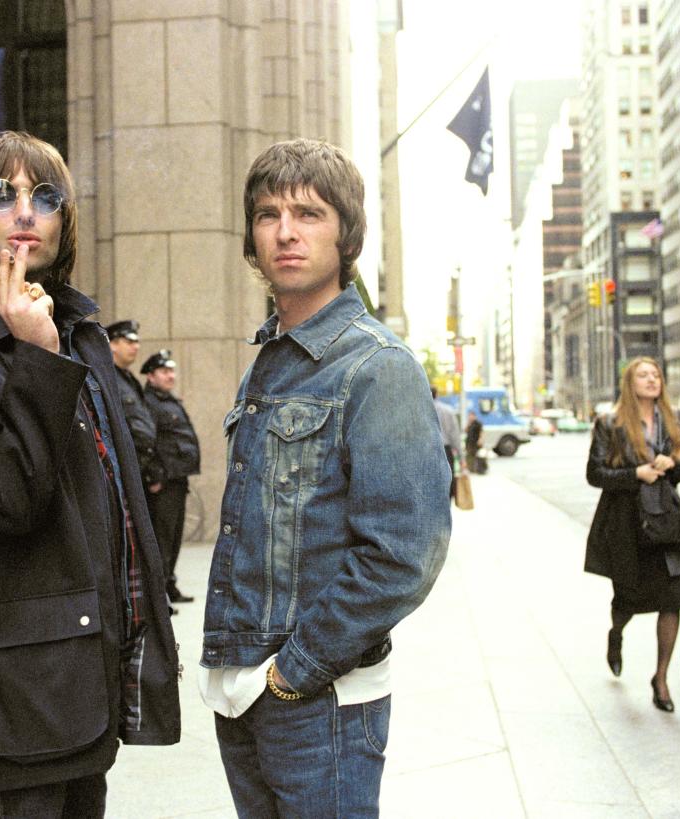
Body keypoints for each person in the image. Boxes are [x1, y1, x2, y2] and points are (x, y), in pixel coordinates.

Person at [0, 131, 180, 817]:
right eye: (4, 195)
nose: (25, 211)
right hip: (16, 691)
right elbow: (6, 496)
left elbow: (110, 507)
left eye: (44, 196)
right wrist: (35, 359)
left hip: (87, 675)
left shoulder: (78, 330)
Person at [199, 137, 451, 818]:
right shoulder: (270, 363)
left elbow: (404, 554)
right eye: (268, 213)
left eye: (309, 213)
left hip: (321, 700)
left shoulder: (377, 366)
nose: (285, 231)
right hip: (245, 691)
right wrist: (244, 676)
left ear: (346, 235)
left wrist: (293, 673)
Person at [584, 357, 680, 712]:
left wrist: (675, 462)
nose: (651, 380)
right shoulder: (610, 422)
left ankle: (660, 679)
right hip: (627, 523)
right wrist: (637, 474)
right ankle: (616, 634)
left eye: (656, 374)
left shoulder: (676, 421)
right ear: (629, 383)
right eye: (643, 375)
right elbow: (595, 474)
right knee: (628, 598)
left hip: (665, 521)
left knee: (673, 597)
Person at [140, 348, 201, 605]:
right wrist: (154, 475)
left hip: (177, 478)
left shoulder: (168, 400)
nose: (170, 375)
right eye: (165, 371)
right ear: (151, 376)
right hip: (163, 482)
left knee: (174, 538)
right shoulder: (150, 403)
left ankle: (169, 585)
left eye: (172, 370)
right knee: (162, 539)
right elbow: (147, 441)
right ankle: (159, 594)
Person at [107, 318, 166, 498]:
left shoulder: (128, 379)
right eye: (130, 341)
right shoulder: (108, 377)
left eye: (137, 342)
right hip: (122, 472)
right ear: (113, 345)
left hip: (138, 471)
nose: (136, 346)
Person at [431, 388, 461, 489]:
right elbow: (454, 435)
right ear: (437, 394)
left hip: (429, 451)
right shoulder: (448, 410)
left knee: (432, 484)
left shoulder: (421, 412)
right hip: (446, 451)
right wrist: (461, 457)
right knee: (448, 482)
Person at [465, 409, 486, 474]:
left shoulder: (478, 423)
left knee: (478, 456)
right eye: (469, 416)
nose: (470, 417)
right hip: (470, 443)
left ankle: (480, 469)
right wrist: (468, 423)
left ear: (474, 416)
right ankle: (471, 469)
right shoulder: (470, 424)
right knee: (469, 456)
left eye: (471, 416)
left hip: (476, 442)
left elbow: (481, 432)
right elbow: (465, 430)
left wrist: (481, 439)